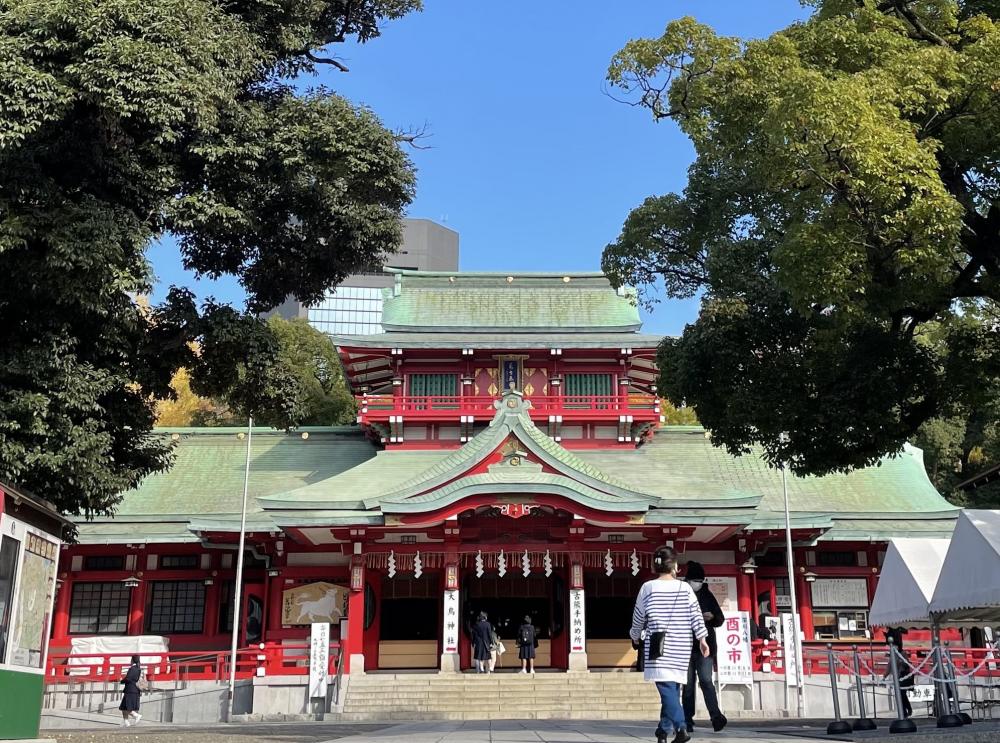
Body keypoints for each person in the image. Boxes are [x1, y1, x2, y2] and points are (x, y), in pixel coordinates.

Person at [631, 546, 710, 743]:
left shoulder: (648, 588)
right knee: (672, 689)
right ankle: (663, 731)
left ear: (654, 566)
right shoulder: (685, 588)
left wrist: (635, 636)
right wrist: (702, 638)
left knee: (667, 689)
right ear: (674, 566)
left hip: (658, 646)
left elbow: (638, 617)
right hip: (681, 646)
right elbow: (696, 615)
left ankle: (681, 728)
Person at [682, 562, 727, 733]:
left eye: (701, 581)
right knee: (688, 685)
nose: (698, 583)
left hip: (705, 646)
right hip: (686, 645)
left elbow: (720, 619)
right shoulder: (681, 594)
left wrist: (712, 617)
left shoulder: (707, 595)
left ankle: (716, 717)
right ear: (688, 580)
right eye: (696, 580)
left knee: (706, 681)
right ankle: (687, 719)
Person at [885, 627, 913, 718]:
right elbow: (889, 666)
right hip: (897, 677)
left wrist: (901, 663)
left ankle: (906, 710)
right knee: (900, 695)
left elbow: (906, 664)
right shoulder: (892, 654)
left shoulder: (902, 653)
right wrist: (884, 676)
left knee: (901, 695)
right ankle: (904, 712)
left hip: (902, 677)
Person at [118, 655, 143, 726]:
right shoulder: (138, 669)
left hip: (130, 690)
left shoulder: (132, 669)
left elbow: (128, 678)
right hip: (134, 689)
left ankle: (136, 715)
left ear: (132, 660)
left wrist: (121, 680)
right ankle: (126, 722)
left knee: (128, 706)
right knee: (123, 707)